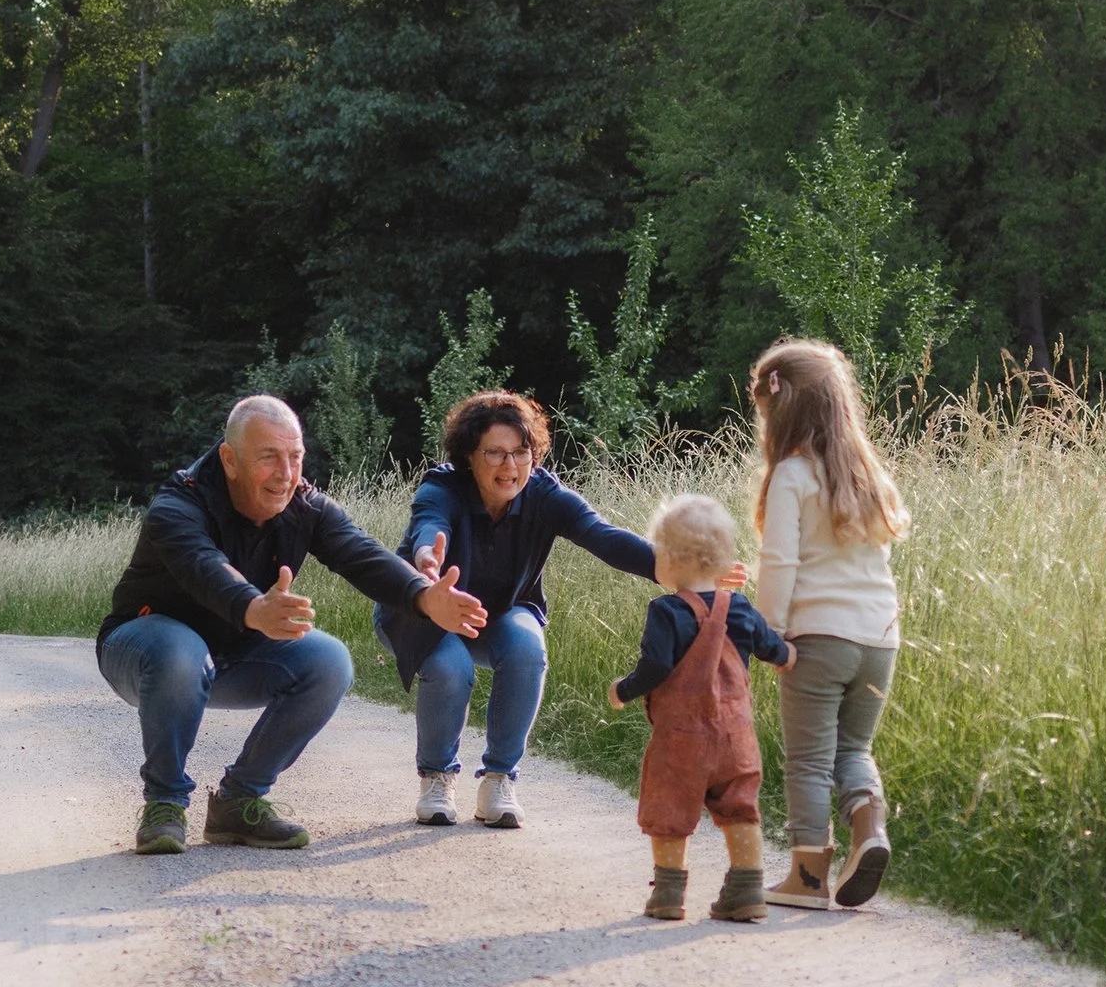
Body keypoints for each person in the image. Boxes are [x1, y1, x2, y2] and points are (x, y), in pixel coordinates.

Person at [99, 395, 488, 854]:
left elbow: (360, 553)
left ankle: (239, 801)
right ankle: (164, 803)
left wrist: (423, 597)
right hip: (145, 649)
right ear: (229, 459)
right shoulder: (179, 502)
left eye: (296, 457)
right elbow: (202, 564)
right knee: (180, 650)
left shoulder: (305, 504)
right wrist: (252, 606)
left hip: (234, 649)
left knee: (328, 660)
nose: (286, 473)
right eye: (269, 457)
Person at [375, 391, 660, 831]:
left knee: (528, 648)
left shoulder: (546, 495)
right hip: (426, 610)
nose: (510, 466)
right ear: (470, 456)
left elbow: (602, 536)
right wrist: (428, 561)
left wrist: (681, 569)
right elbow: (431, 524)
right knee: (452, 668)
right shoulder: (442, 487)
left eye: (521, 452)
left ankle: (499, 780)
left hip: (502, 612)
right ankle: (436, 776)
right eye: (495, 453)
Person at [747, 340, 909, 911]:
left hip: (817, 637)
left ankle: (808, 877)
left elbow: (780, 562)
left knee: (809, 759)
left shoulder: (793, 475)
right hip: (878, 638)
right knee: (854, 749)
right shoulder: (870, 476)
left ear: (782, 407)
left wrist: (769, 633)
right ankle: (869, 832)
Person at [606, 494, 795, 923]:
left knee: (669, 809)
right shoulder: (741, 608)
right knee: (739, 806)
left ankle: (669, 894)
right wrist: (789, 657)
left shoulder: (666, 612)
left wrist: (623, 689)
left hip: (681, 740)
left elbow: (655, 666)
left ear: (668, 559)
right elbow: (771, 647)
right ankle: (746, 888)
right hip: (735, 736)